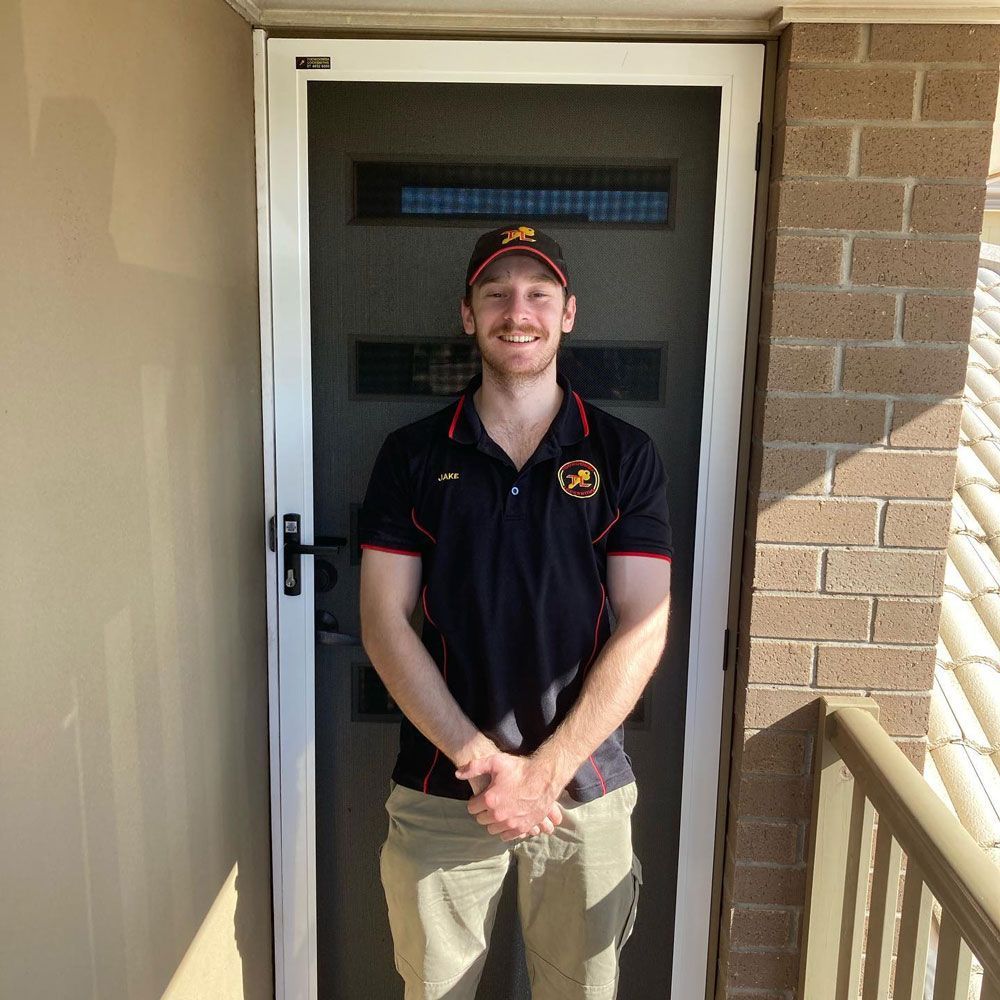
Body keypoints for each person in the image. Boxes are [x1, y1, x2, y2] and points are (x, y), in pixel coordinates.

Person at [358, 224, 673, 1000]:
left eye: (538, 293)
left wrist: (546, 772)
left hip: (585, 789)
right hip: (441, 785)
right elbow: (383, 620)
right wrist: (485, 763)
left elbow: (646, 621)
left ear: (569, 313)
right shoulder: (413, 454)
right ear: (468, 315)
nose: (517, 310)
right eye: (495, 293)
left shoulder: (623, 454)